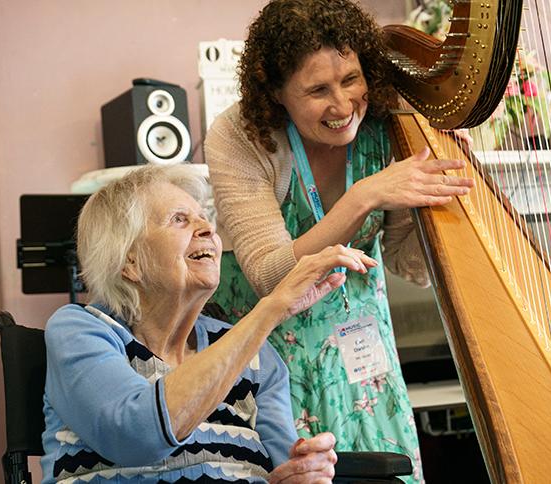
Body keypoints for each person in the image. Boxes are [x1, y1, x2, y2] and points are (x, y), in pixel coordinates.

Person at [204, 0, 474, 481]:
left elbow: (406, 265)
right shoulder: (240, 135)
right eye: (317, 90)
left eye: (351, 80)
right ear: (276, 93)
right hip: (266, 355)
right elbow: (270, 274)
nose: (343, 104)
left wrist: (441, 197)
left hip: (363, 353)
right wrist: (364, 196)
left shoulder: (387, 125)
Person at [40, 164, 378, 483]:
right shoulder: (83, 330)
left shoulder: (258, 358)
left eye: (204, 218)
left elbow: (283, 467)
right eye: (179, 220)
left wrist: (303, 471)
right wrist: (270, 310)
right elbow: (135, 434)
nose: (207, 229)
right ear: (130, 261)